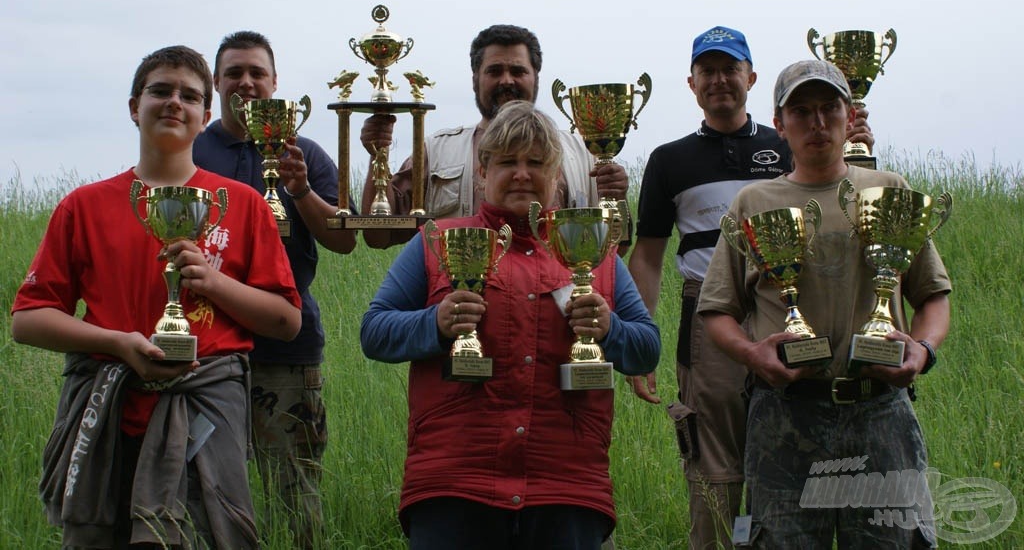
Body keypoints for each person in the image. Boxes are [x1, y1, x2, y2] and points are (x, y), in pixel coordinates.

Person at [11, 45, 302, 549]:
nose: (174, 102)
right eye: (160, 91)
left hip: (205, 417)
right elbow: (28, 320)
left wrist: (214, 284)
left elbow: (285, 320)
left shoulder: (244, 205)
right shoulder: (84, 206)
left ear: (206, 116)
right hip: (108, 413)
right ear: (133, 106)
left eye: (189, 96)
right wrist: (119, 343)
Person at [361, 101, 660, 549]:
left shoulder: (597, 251)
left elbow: (647, 348)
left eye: (536, 162)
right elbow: (374, 332)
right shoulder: (436, 241)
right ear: (482, 172)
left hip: (567, 486)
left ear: (557, 175)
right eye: (507, 162)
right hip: (454, 485)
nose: (522, 173)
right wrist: (435, 323)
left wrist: (610, 329)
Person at [626, 27, 874, 549]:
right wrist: (640, 341)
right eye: (708, 71)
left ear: (751, 78)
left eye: (730, 69)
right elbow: (647, 256)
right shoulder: (669, 160)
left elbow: (837, 194)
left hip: (787, 312)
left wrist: (858, 152)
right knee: (713, 460)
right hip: (705, 320)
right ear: (691, 83)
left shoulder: (785, 141)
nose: (719, 80)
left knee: (794, 445)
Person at [698, 59, 950, 547]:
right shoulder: (753, 202)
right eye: (802, 111)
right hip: (785, 414)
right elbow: (717, 311)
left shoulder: (888, 190)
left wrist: (921, 352)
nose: (817, 123)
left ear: (847, 112)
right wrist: (752, 356)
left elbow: (933, 295)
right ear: (779, 124)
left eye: (829, 108)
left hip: (880, 410)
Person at [193, 30, 356, 548]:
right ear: (217, 82)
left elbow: (342, 242)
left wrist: (301, 189)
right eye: (235, 72)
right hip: (200, 348)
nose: (246, 82)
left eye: (256, 72)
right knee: (204, 490)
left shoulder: (302, 151)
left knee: (294, 495)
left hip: (288, 347)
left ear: (275, 82)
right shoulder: (191, 149)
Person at [358, 23, 629, 249]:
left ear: (536, 77)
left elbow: (617, 247)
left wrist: (618, 197)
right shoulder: (436, 152)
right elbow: (378, 235)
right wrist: (376, 153)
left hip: (556, 306)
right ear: (476, 78)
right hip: (460, 308)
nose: (507, 80)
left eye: (518, 71)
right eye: (495, 71)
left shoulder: (582, 153)